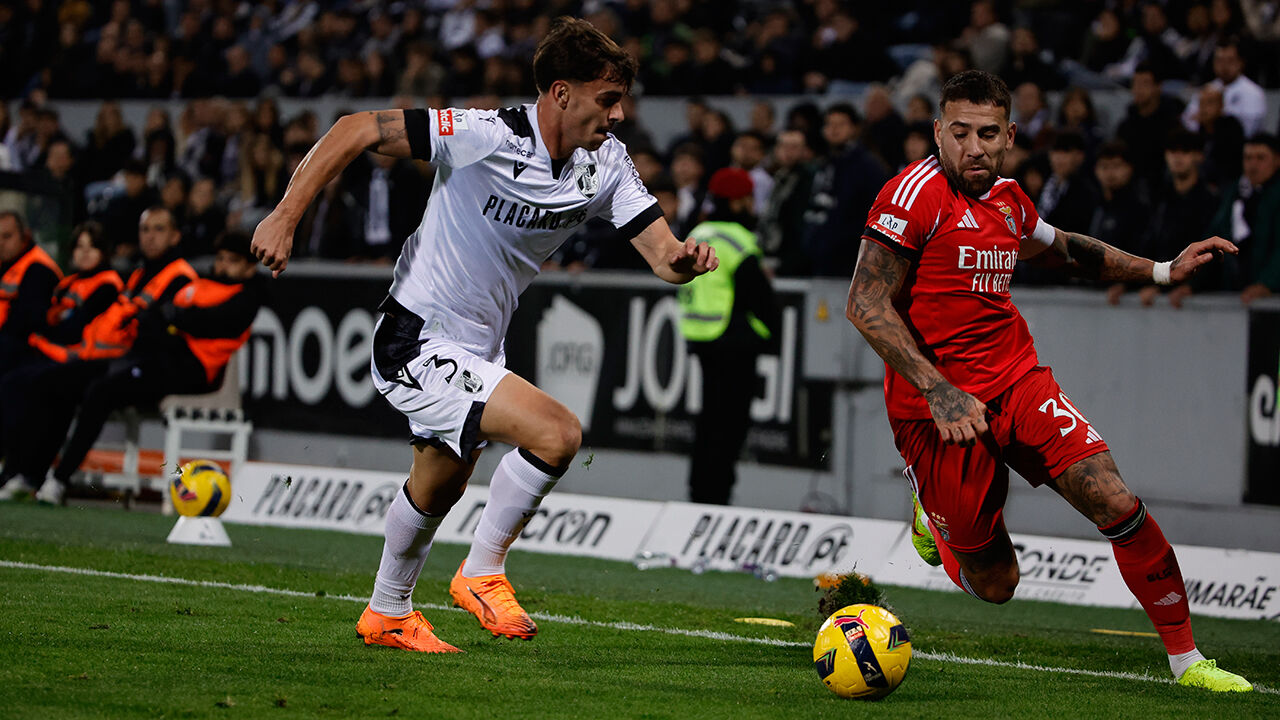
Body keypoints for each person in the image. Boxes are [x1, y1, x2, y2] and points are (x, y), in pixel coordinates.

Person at [250, 17, 718, 654]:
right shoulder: (482, 135)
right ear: (560, 93)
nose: (618, 115)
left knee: (438, 482)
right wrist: (284, 215)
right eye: (607, 99)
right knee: (558, 433)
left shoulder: (605, 165)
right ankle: (482, 571)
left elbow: (661, 255)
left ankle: (387, 611)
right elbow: (354, 128)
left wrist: (683, 262)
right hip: (416, 337)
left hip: (477, 347)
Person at [846, 70, 1251, 693]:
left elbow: (1063, 247)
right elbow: (865, 304)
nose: (973, 148)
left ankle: (1187, 661)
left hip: (1017, 382)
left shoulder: (1009, 199)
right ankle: (931, 508)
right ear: (937, 132)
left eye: (987, 134)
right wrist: (939, 389)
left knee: (1112, 496)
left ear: (1010, 135)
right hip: (938, 412)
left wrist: (1165, 270)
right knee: (997, 585)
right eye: (959, 133)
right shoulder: (912, 198)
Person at [32, 230, 265, 505]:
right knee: (64, 379)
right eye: (221, 258)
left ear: (249, 267)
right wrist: (172, 321)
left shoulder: (246, 296)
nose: (223, 265)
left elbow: (211, 321)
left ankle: (59, 479)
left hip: (192, 370)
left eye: (233, 261)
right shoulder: (201, 285)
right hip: (155, 357)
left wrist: (174, 320)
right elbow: (159, 318)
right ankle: (29, 472)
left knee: (102, 391)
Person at [677, 168, 779, 505]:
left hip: (702, 337)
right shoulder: (738, 240)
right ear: (737, 201)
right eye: (749, 198)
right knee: (730, 428)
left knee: (708, 423)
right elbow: (761, 299)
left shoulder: (698, 232)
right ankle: (717, 500)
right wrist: (769, 334)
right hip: (734, 343)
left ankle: (699, 495)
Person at [1204, 133, 1280, 305]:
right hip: (1237, 290)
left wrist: (1266, 283)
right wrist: (1191, 283)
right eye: (1248, 158)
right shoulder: (1236, 193)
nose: (1253, 165)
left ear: (1277, 160)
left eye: (1261, 158)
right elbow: (1215, 237)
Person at [0, 211, 60, 377]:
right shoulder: (6, 262)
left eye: (7, 236)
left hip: (26, 348)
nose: (1, 243)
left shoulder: (38, 268)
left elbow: (25, 321)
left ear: (25, 235)